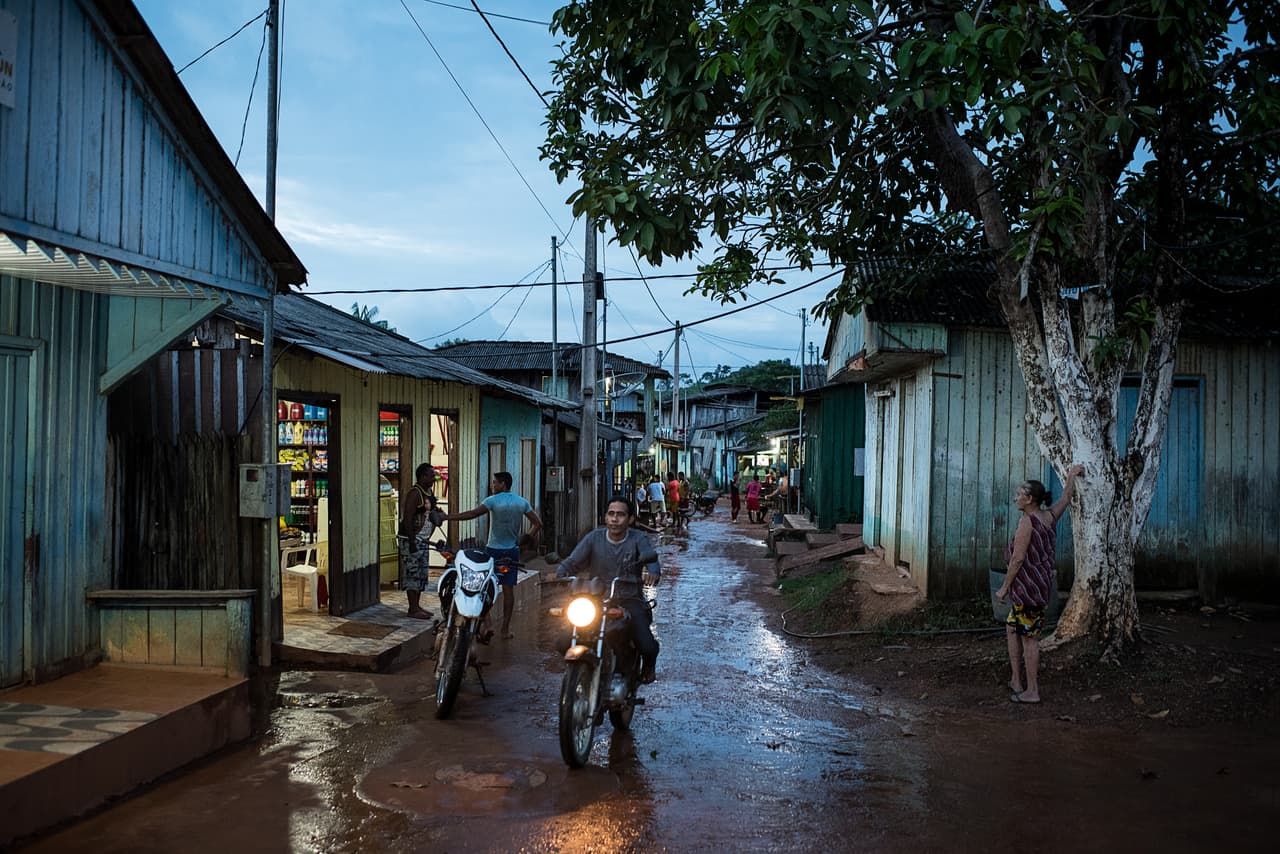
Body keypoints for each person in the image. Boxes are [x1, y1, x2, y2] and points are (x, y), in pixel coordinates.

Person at [997, 464, 1084, 704]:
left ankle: (1032, 690)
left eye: (1019, 494)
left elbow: (1017, 559)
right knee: (1012, 627)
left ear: (1030, 499)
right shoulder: (1049, 515)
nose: (1016, 498)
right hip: (1037, 587)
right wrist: (1071, 476)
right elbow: (1067, 497)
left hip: (1028, 591)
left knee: (1030, 638)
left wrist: (1004, 587)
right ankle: (1016, 680)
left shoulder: (1028, 522)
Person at [556, 495, 661, 683]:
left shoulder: (638, 538)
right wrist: (561, 572)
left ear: (630, 519)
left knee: (647, 646)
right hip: (595, 599)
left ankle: (648, 667)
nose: (615, 519)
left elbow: (651, 559)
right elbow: (573, 561)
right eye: (611, 514)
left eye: (620, 515)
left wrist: (652, 572)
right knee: (563, 640)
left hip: (629, 599)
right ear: (605, 517)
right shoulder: (594, 537)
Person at [440, 471, 542, 640]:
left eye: (495, 483)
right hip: (512, 550)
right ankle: (505, 630)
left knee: (483, 586)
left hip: (493, 550)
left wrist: (447, 517)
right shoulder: (522, 502)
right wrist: (526, 539)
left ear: (503, 484)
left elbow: (471, 514)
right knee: (508, 590)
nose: (492, 485)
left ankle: (487, 625)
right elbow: (538, 524)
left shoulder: (492, 501)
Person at [399, 463, 443, 619]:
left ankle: (416, 606)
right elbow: (408, 518)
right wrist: (411, 542)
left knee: (421, 574)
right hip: (412, 539)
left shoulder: (428, 492)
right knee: (412, 573)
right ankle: (412, 608)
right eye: (431, 475)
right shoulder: (414, 493)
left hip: (423, 540)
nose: (433, 478)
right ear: (422, 476)